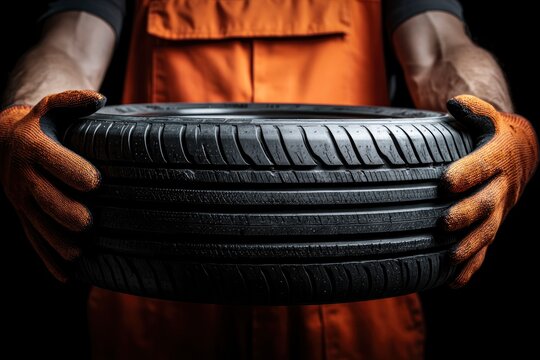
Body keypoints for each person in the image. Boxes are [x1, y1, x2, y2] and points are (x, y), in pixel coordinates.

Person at [0, 0, 537, 359]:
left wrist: (492, 114)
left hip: (357, 299)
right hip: (162, 300)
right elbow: (70, 41)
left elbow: (440, 47)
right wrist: (27, 114)